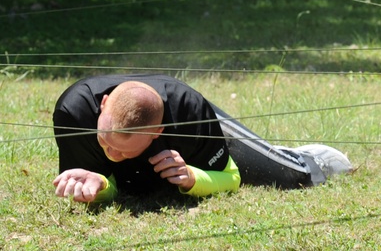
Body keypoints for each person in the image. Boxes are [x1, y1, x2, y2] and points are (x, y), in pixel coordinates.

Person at [52, 74, 353, 203]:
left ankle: (318, 158)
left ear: (159, 134)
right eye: (105, 143)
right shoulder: (75, 114)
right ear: (103, 105)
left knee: (290, 176)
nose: (111, 155)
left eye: (122, 151)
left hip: (194, 124)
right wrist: (99, 187)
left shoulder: (188, 111)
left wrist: (192, 178)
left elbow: (230, 178)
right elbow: (113, 186)